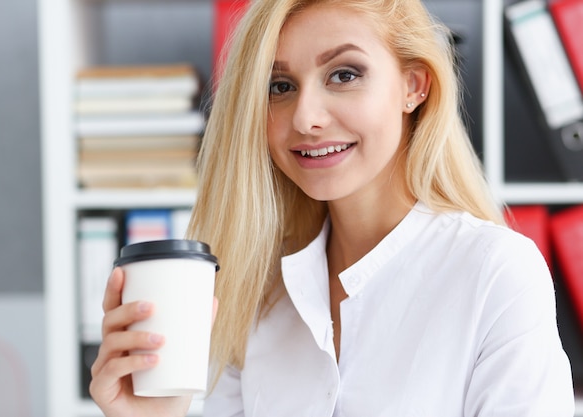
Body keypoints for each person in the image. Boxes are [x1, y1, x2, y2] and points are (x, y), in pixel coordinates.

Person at [89, 0, 575, 415]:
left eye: (344, 74)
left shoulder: (496, 273)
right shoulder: (255, 293)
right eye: (279, 87)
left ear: (414, 86)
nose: (305, 117)